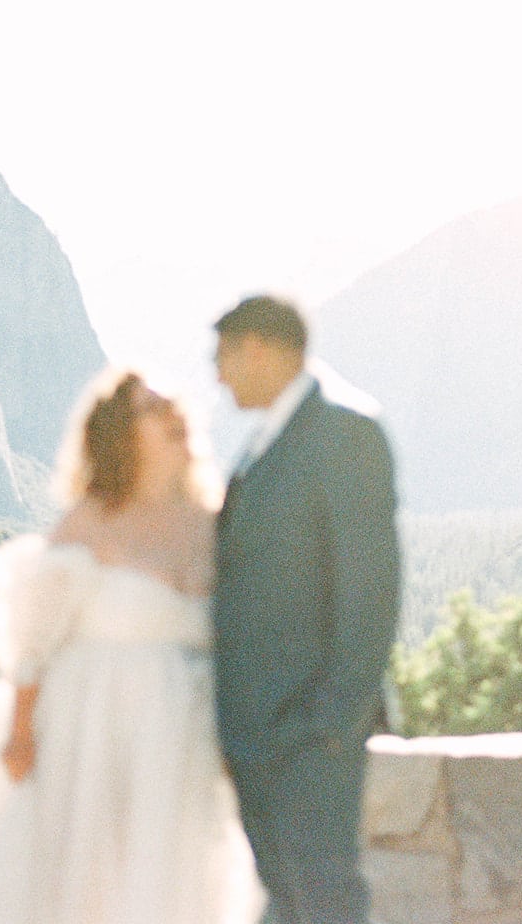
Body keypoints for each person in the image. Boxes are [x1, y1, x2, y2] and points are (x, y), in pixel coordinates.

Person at [0, 370, 261, 924]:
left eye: (174, 407)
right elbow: (34, 640)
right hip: (88, 736)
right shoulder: (91, 520)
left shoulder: (216, 525)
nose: (173, 416)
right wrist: (21, 734)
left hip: (181, 744)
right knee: (81, 886)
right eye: (153, 409)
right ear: (121, 435)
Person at [211, 295, 402, 924]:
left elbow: (369, 592)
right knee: (285, 898)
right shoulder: (261, 445)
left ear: (259, 348)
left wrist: (329, 725)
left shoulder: (345, 433)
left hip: (309, 734)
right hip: (257, 732)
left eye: (224, 356)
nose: (218, 374)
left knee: (323, 894)